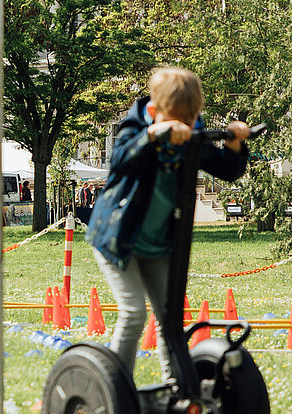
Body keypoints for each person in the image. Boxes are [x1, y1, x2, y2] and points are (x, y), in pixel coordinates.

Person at [87, 66, 250, 377]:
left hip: (158, 245)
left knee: (169, 318)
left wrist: (234, 143)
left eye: (188, 121)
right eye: (173, 121)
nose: (182, 128)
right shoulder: (133, 129)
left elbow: (227, 170)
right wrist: (151, 135)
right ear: (152, 111)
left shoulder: (191, 137)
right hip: (117, 239)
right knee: (134, 314)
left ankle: (177, 388)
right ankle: (117, 389)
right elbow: (120, 161)